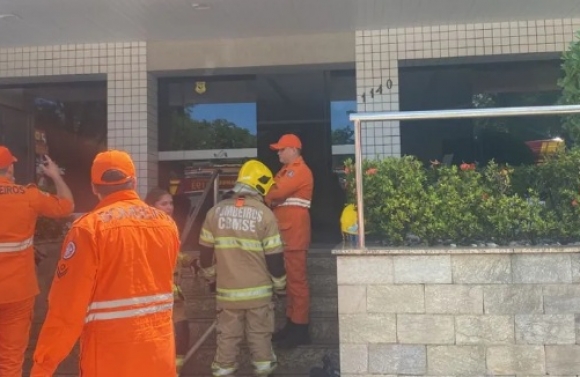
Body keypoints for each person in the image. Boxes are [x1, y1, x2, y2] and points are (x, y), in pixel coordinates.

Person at [31, 150, 181, 377]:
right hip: (159, 354)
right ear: (134, 182)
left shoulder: (88, 230)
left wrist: (43, 367)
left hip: (110, 357)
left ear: (94, 187)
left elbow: (66, 310)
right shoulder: (167, 225)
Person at [197, 159, 286, 377]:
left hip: (227, 294)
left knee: (227, 339)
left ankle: (224, 371)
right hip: (259, 294)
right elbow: (274, 258)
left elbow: (205, 254)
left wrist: (210, 277)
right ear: (261, 185)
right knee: (260, 338)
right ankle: (264, 371)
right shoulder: (265, 215)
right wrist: (281, 285)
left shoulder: (214, 213)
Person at [0, 147, 74, 377]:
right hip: (17, 292)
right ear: (10, 168)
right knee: (10, 359)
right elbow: (66, 206)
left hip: (18, 292)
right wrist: (55, 176)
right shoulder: (28, 196)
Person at [265, 133, 314, 349]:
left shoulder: (297, 170)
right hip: (287, 233)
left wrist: (269, 194)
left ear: (293, 149)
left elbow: (276, 192)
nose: (278, 153)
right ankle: (292, 324)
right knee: (291, 283)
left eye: (281, 149)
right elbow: (274, 193)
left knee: (296, 283)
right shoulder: (287, 171)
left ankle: (300, 328)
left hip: (294, 234)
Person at [145, 187, 194, 373]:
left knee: (182, 330)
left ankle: (175, 370)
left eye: (171, 203)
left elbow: (173, 254)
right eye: (163, 203)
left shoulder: (169, 225)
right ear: (152, 206)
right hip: (157, 292)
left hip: (171, 291)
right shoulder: (150, 228)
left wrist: (189, 261)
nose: (169, 207)